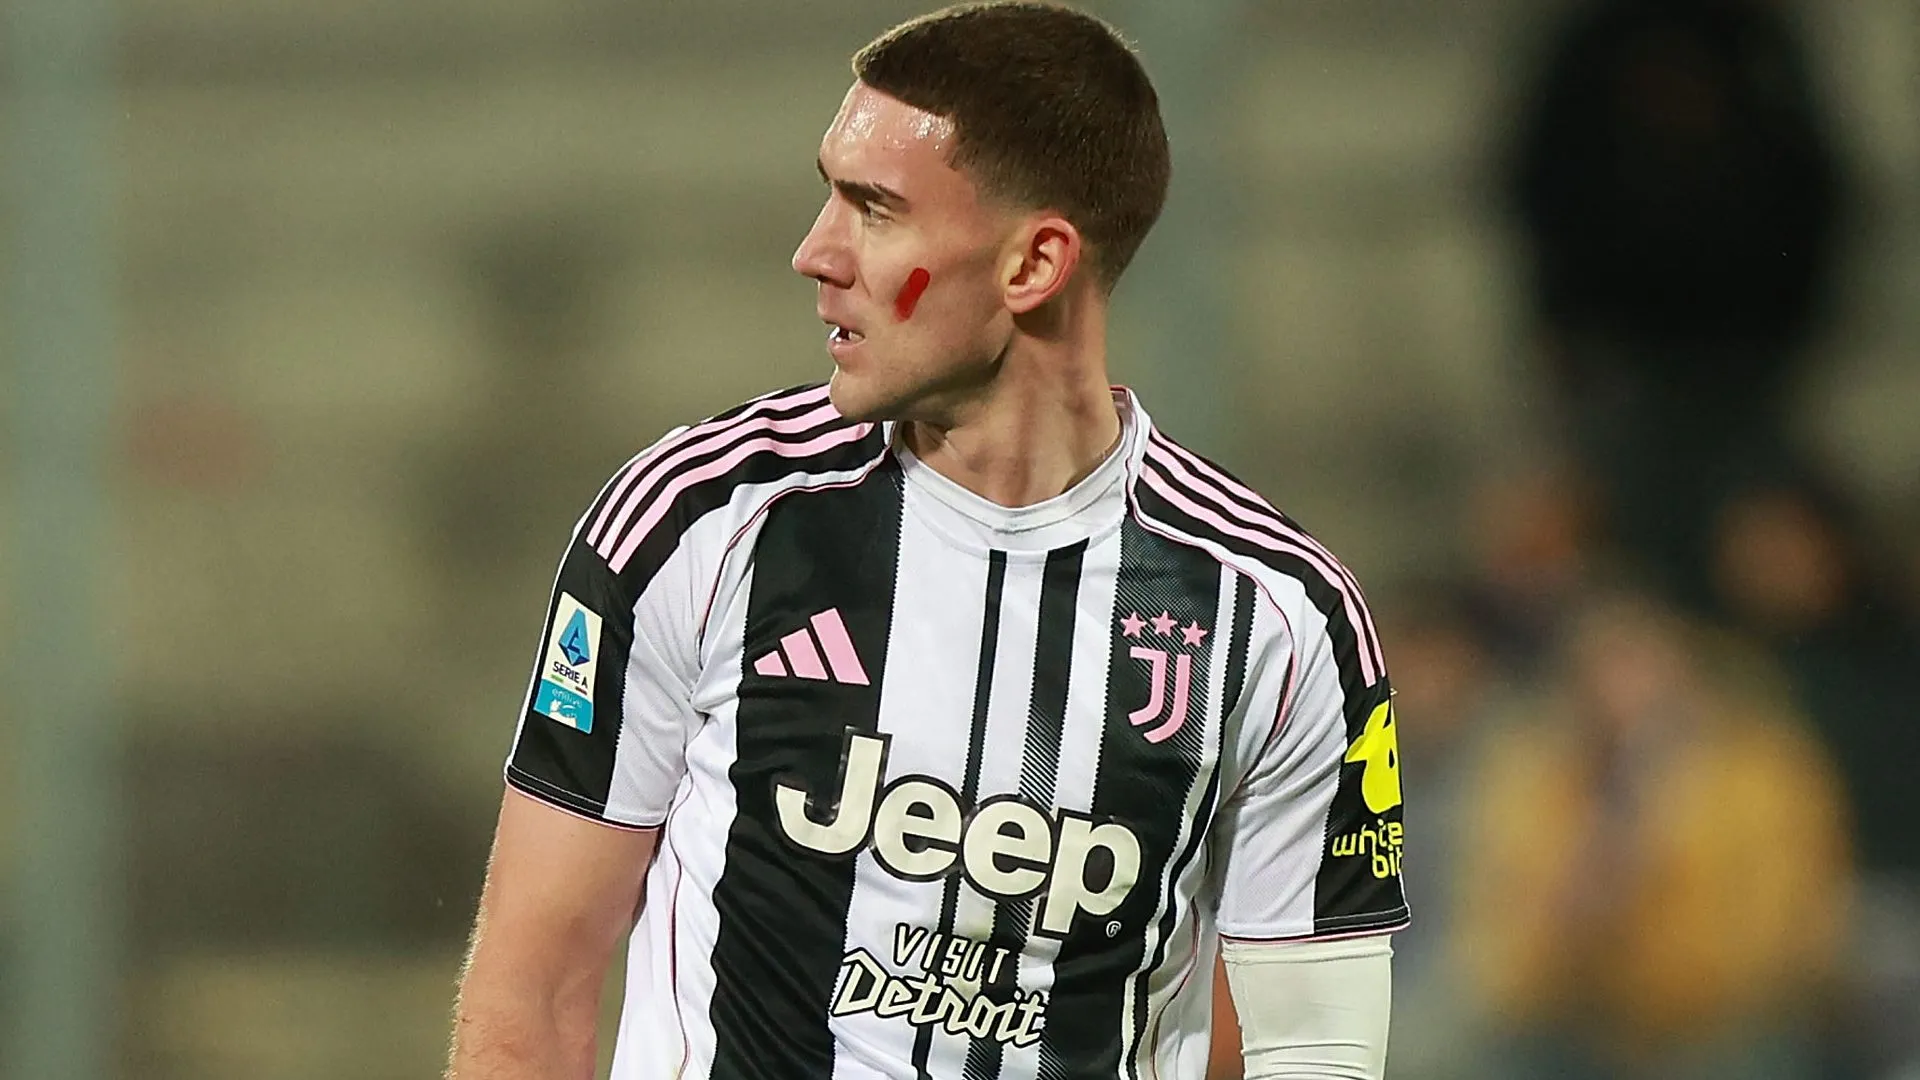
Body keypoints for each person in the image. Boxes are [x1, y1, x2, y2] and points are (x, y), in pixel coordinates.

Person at [447, 5, 1406, 1079]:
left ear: (1033, 265)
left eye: (875, 208)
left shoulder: (1276, 619)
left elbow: (1312, 1047)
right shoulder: (699, 522)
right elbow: (531, 989)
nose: (816, 253)